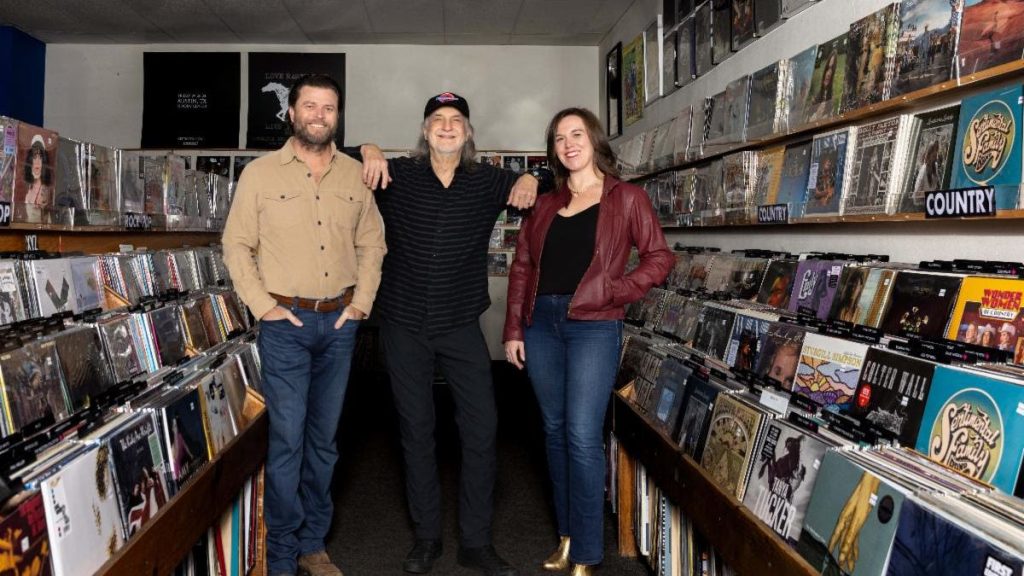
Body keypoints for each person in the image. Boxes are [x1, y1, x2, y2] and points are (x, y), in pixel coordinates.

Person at [356, 92, 547, 576]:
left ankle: (476, 542)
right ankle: (426, 538)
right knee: (416, 431)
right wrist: (370, 147)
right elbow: (340, 155)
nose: (446, 127)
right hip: (402, 323)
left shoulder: (487, 181)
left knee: (481, 430)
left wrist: (530, 175)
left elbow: (551, 180)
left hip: (461, 322)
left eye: (456, 120)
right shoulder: (396, 174)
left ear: (468, 132)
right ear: (424, 130)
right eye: (437, 120)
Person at [222, 73, 387, 576]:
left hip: (338, 326)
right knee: (288, 440)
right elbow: (237, 245)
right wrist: (263, 306)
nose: (319, 114)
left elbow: (372, 244)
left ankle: (313, 544)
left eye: (329, 107)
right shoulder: (260, 175)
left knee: (323, 441)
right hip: (284, 327)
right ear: (290, 114)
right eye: (309, 106)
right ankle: (280, 556)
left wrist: (359, 307)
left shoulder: (356, 175)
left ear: (338, 116)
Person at [503, 107, 673, 575]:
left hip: (595, 325)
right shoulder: (544, 204)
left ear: (594, 140)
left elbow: (659, 257)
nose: (568, 144)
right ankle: (567, 535)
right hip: (543, 326)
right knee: (555, 433)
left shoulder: (627, 197)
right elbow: (523, 269)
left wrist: (616, 291)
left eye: (576, 134)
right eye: (559, 138)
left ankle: (588, 553)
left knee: (581, 435)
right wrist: (514, 328)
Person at [21, 137, 52, 207]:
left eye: (40, 158)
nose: (37, 162)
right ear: (30, 161)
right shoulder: (30, 186)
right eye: (34, 157)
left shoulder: (44, 190)